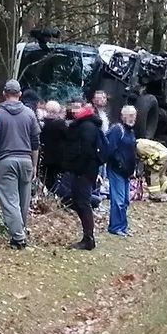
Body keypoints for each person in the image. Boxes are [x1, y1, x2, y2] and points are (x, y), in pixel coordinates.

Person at [0, 80, 41, 249]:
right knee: (24, 201)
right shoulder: (30, 114)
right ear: (20, 94)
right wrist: (34, 165)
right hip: (26, 160)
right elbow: (35, 142)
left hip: (6, 160)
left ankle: (18, 237)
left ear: (4, 93)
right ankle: (21, 231)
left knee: (9, 201)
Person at [62, 103, 103, 250]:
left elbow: (85, 151)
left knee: (83, 202)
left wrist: (77, 168)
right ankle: (88, 237)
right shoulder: (87, 125)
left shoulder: (86, 127)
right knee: (80, 201)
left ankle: (88, 239)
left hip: (84, 171)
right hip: (85, 171)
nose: (74, 111)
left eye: (78, 108)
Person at [106, 106, 137, 237]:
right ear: (122, 116)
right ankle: (115, 227)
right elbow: (111, 149)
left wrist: (133, 169)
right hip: (116, 170)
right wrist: (119, 164)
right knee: (118, 200)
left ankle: (123, 227)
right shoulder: (117, 130)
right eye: (129, 115)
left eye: (134, 115)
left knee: (125, 201)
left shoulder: (131, 131)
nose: (132, 118)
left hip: (127, 172)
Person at [136, 138, 167, 203]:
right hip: (165, 155)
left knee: (152, 174)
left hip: (160, 157)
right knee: (160, 176)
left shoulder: (139, 147)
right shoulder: (140, 142)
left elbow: (153, 155)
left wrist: (148, 164)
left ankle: (155, 196)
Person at [40, 100, 68, 191]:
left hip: (45, 155)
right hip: (58, 157)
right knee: (55, 180)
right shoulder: (61, 124)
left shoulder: (43, 123)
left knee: (46, 179)